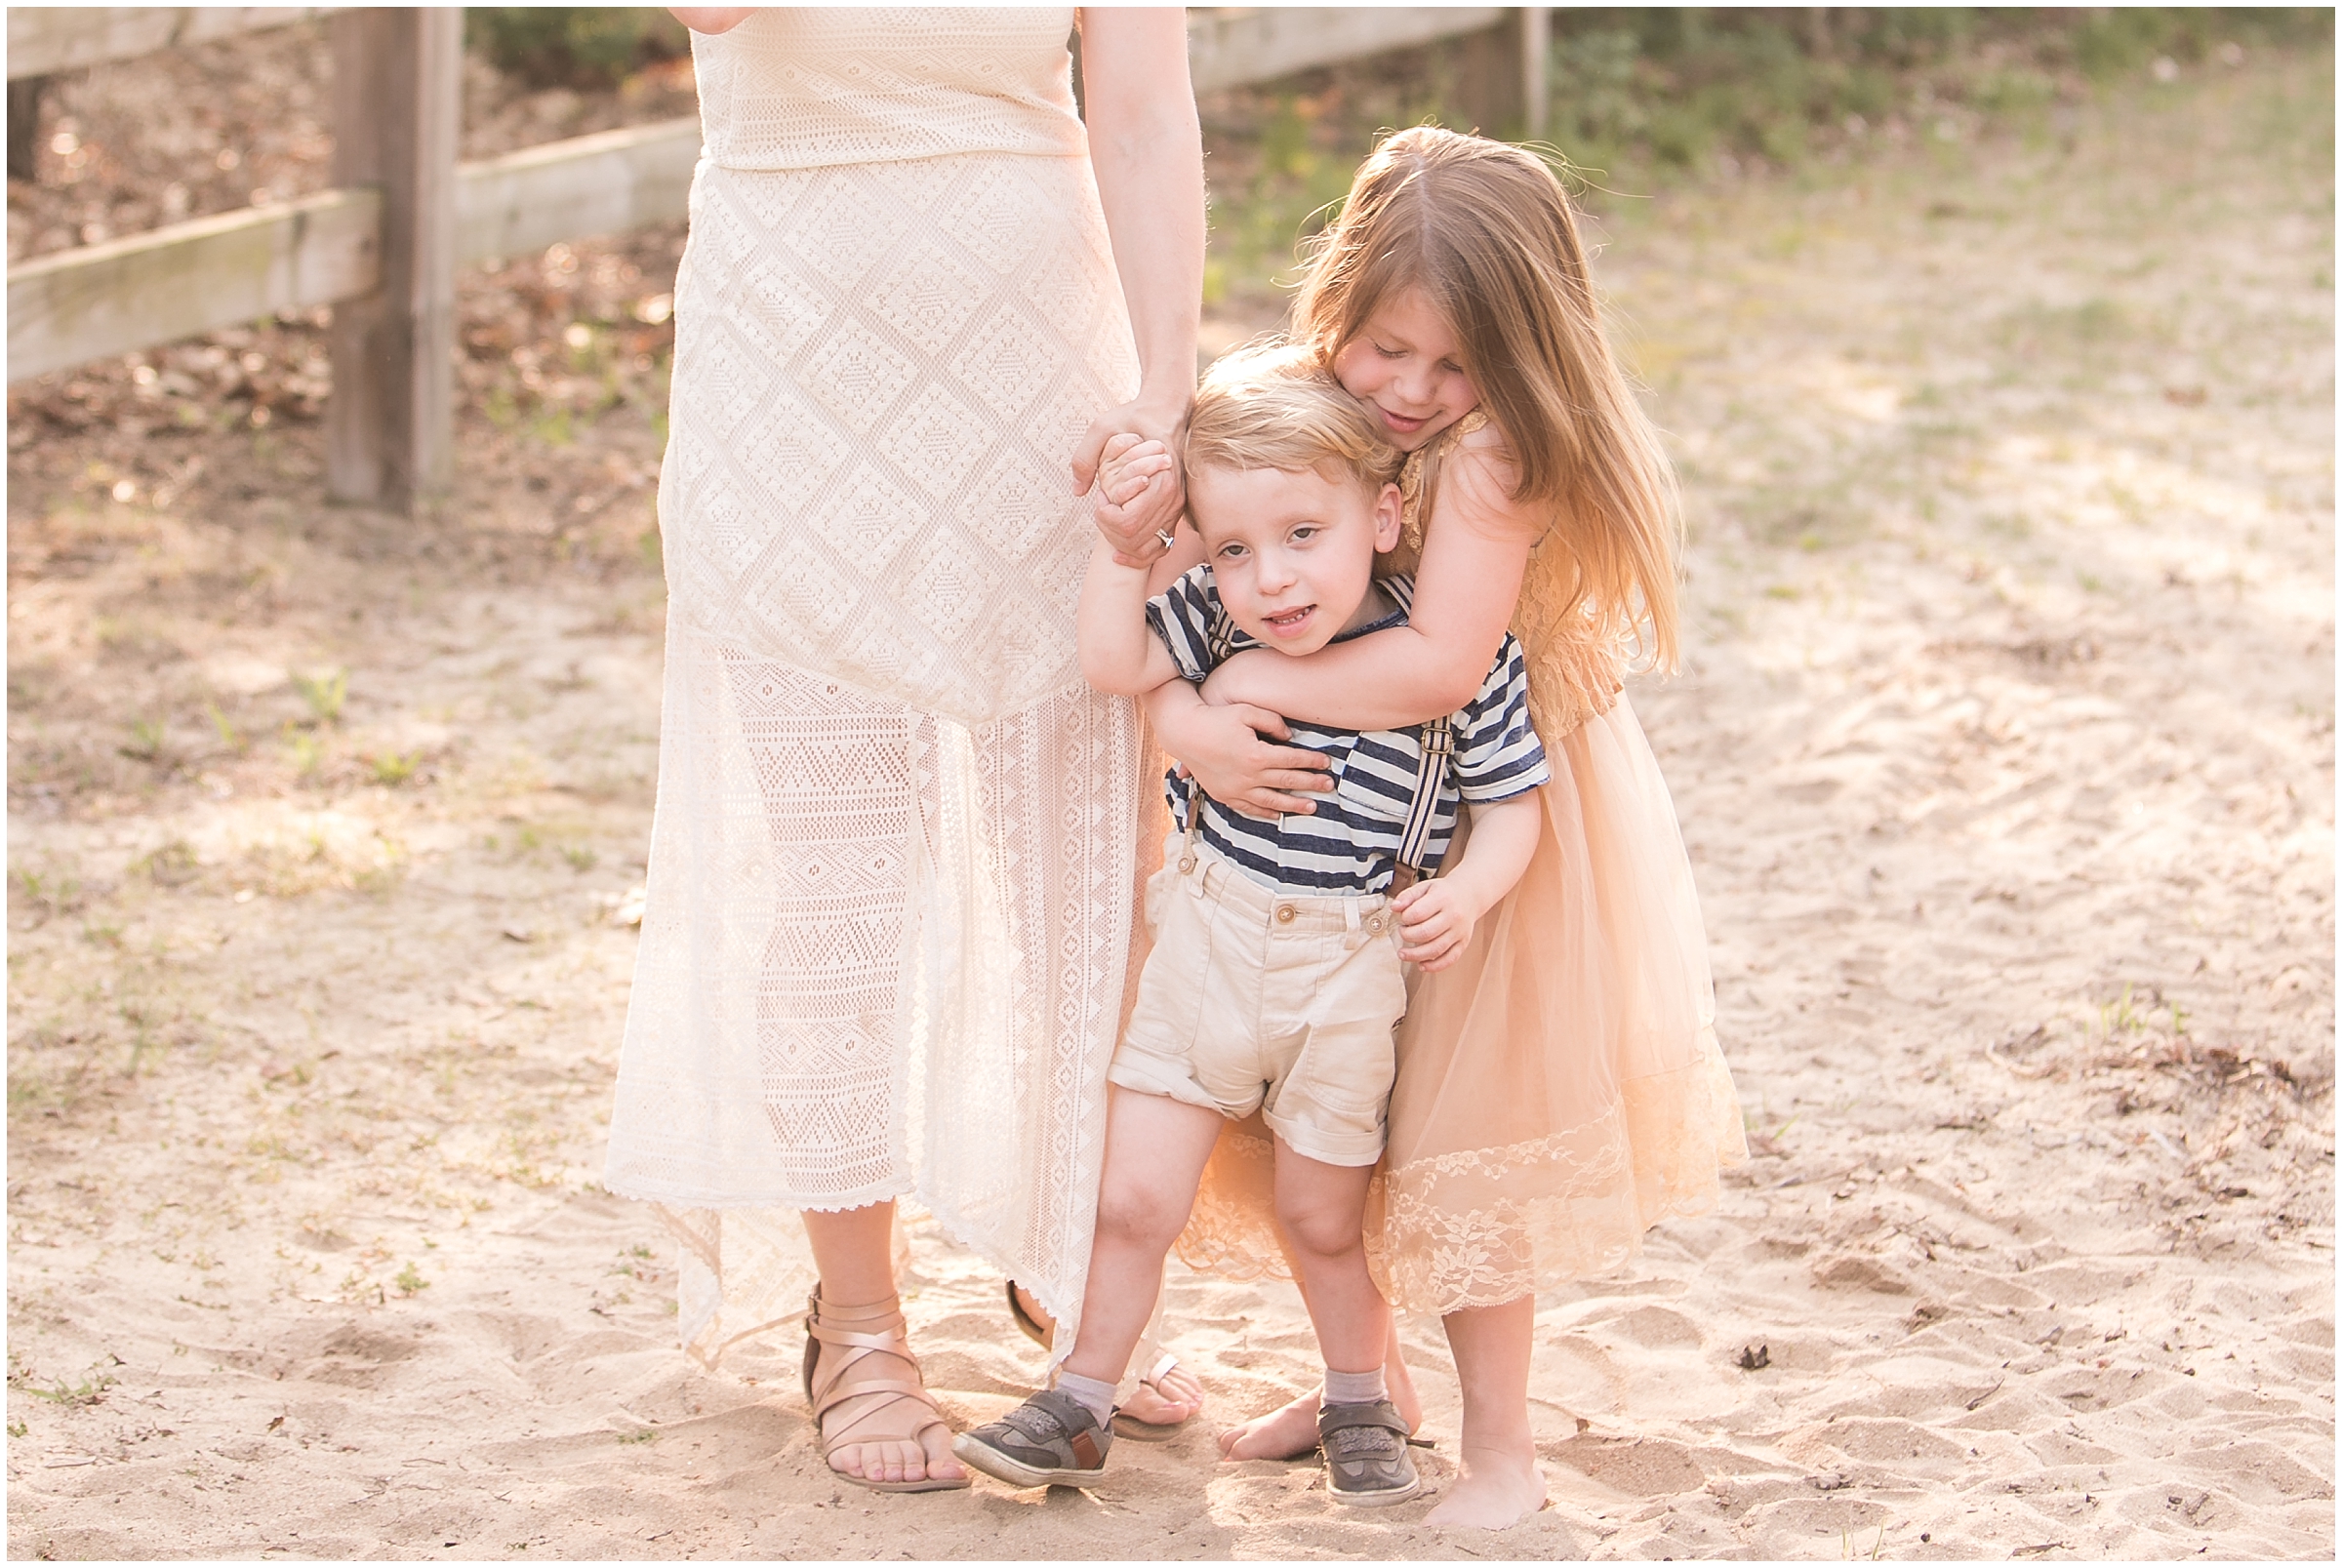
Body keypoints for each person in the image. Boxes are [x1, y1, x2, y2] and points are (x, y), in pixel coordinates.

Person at [1108, 127, 1749, 1528]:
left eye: (1450, 365)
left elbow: (1439, 665)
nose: (1409, 389)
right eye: (1384, 346)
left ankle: (1505, 1443)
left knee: (1463, 1123)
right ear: (1338, 307)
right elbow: (1187, 586)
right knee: (1329, 1115)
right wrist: (1186, 715)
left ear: (1515, 361)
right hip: (1326, 822)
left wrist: (1255, 684)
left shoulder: (1497, 451)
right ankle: (1368, 1383)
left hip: (1481, 830)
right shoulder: (1319, 418)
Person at [605, 8, 1203, 1494]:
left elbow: (1139, 110)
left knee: (1082, 854)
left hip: (1036, 364)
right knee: (841, 875)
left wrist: (1168, 386)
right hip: (793, 366)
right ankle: (858, 1316)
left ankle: (1082, 1261)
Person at [952, 347, 1549, 1506]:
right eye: (1233, 547)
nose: (1269, 578)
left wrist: (1465, 893)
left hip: (1349, 969)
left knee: (1324, 1215)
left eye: (1301, 535)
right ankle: (1081, 1393)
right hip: (1206, 949)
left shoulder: (1459, 659)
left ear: (1382, 513)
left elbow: (1514, 808)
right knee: (1134, 1197)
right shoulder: (1220, 626)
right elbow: (1112, 659)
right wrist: (1125, 556)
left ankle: (1360, 1393)